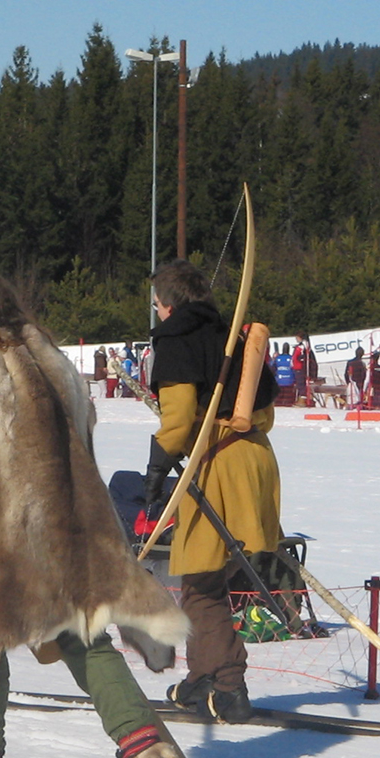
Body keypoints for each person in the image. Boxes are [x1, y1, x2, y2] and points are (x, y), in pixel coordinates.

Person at [0, 272, 185, 758]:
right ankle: (141, 740)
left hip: (17, 525)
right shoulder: (51, 356)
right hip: (77, 521)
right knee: (80, 630)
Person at [142, 259, 281, 724]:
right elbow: (264, 407)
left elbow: (178, 421)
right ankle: (202, 678)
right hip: (255, 459)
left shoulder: (178, 338)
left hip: (218, 463)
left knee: (203, 583)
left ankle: (229, 687)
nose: (159, 313)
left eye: (159, 304)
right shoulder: (233, 338)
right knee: (217, 580)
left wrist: (158, 461)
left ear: (170, 304)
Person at [272, 342, 297, 407]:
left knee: (279, 395)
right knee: (288, 396)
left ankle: (278, 402)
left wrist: (273, 358)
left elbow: (272, 367)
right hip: (289, 381)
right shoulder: (292, 358)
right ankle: (288, 402)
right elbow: (294, 370)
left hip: (279, 381)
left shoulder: (277, 358)